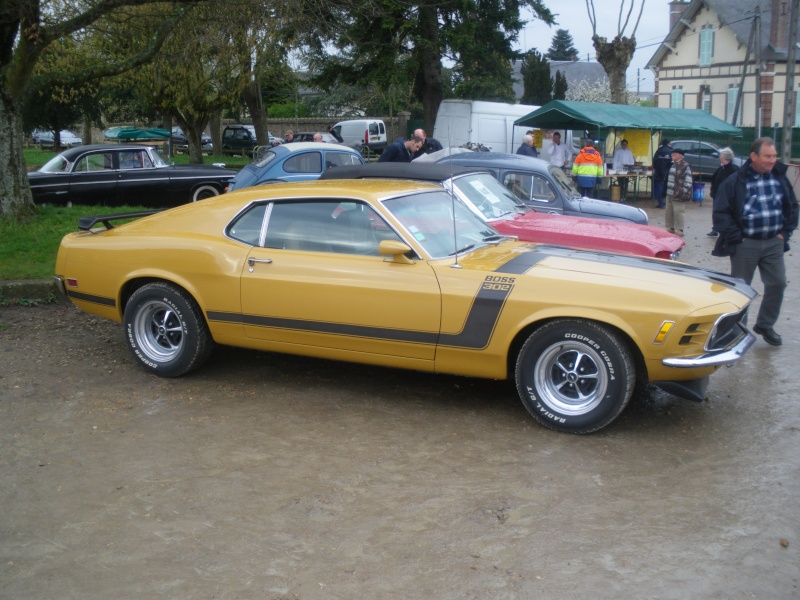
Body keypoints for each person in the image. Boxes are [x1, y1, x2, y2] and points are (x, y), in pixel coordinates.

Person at [712, 137, 799, 347]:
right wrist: (736, 238)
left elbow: (792, 206)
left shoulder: (779, 177)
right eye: (767, 156)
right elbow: (721, 212)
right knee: (741, 290)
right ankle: (737, 332)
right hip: (745, 244)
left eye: (774, 156)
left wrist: (784, 234)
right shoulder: (736, 180)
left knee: (777, 283)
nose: (772, 160)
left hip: (773, 243)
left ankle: (765, 325)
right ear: (754, 156)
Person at [707, 147, 739, 237]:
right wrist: (713, 191)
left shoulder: (733, 169)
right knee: (716, 212)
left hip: (727, 197)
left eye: (721, 155)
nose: (719, 156)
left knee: (725, 213)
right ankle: (715, 229)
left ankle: (724, 229)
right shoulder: (722, 167)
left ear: (725, 157)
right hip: (717, 195)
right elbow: (715, 179)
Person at [664, 148, 693, 237]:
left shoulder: (685, 166)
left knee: (678, 211)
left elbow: (688, 180)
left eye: (674, 154)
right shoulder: (673, 165)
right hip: (669, 192)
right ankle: (671, 227)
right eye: (672, 155)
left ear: (680, 155)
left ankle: (680, 229)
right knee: (669, 211)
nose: (672, 156)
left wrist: (683, 191)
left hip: (678, 193)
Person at [652, 138, 673, 208]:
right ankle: (668, 203)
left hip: (658, 173)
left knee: (659, 188)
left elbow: (654, 161)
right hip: (669, 173)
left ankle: (661, 203)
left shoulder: (658, 151)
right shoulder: (671, 151)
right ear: (668, 144)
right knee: (669, 188)